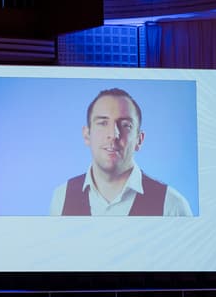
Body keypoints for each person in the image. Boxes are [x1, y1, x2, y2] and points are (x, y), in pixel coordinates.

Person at [48, 87, 193, 217]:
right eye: (103, 123)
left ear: (139, 139)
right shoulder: (61, 197)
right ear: (87, 135)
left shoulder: (172, 206)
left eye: (125, 125)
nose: (114, 134)